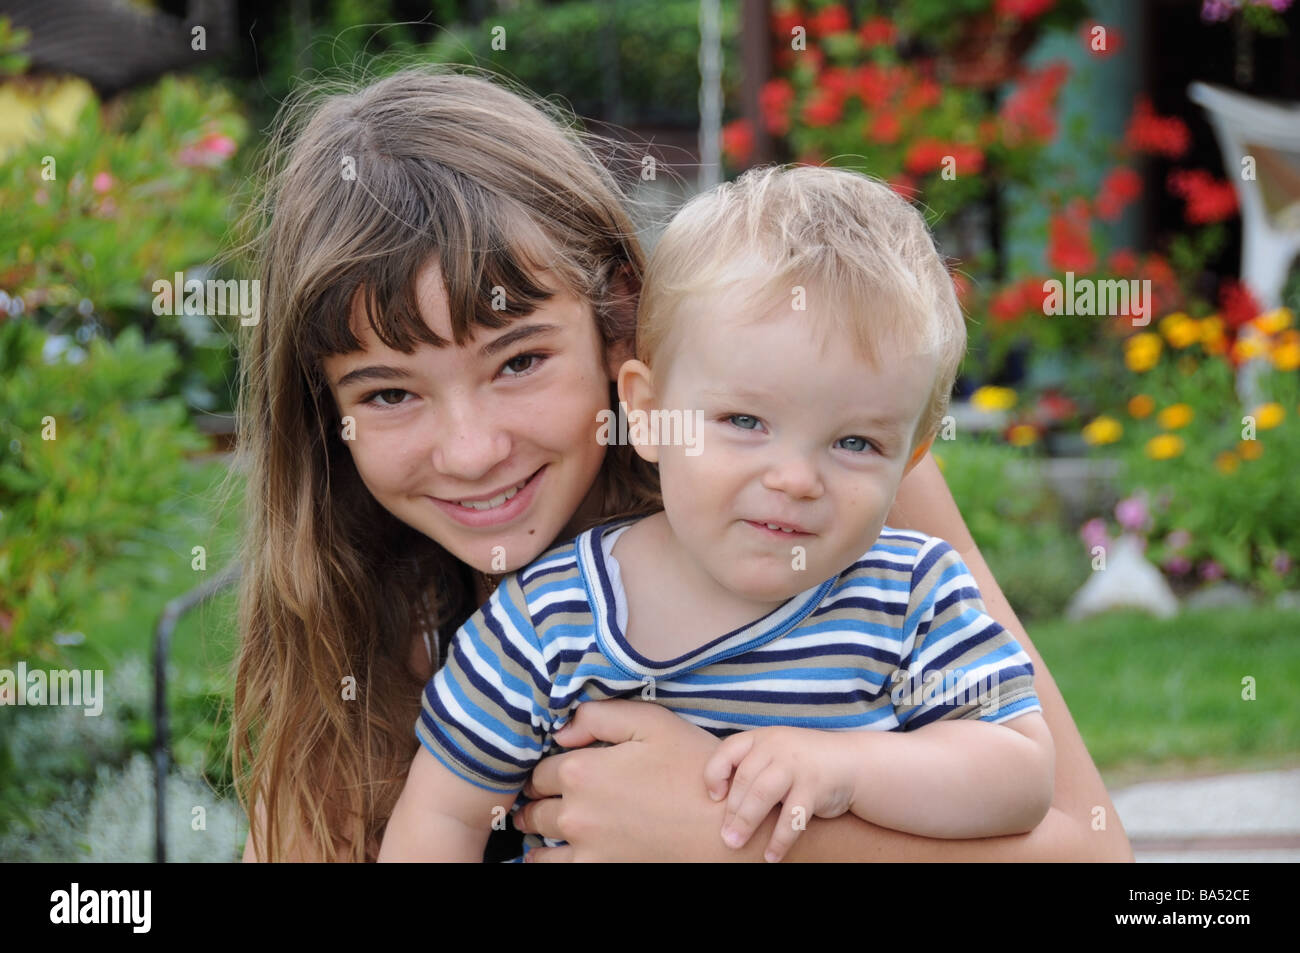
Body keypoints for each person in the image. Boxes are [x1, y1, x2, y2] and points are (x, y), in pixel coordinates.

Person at [232, 65, 1133, 863]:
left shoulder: (825, 475)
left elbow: (1095, 858)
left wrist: (742, 836)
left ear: (619, 320)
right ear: (327, 416)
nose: (471, 450)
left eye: (518, 361)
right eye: (389, 393)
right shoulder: (357, 618)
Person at [378, 164, 1055, 863]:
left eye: (855, 441)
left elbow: (1019, 771)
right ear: (646, 413)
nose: (795, 478)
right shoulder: (548, 620)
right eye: (744, 420)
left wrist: (847, 770)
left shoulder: (909, 596)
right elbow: (441, 816)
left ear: (909, 459)